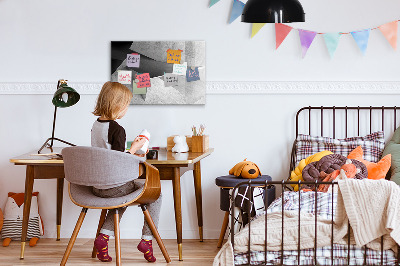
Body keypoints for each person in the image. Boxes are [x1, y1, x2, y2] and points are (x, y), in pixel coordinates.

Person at [91, 81, 161, 263]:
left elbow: (108, 154)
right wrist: (135, 149)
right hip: (114, 186)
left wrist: (130, 149)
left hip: (97, 186)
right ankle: (147, 240)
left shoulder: (96, 125)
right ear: (117, 105)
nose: (126, 109)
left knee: (122, 198)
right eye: (126, 105)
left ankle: (103, 238)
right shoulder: (117, 129)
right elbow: (118, 161)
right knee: (156, 194)